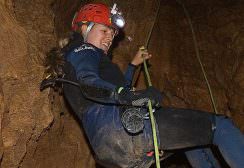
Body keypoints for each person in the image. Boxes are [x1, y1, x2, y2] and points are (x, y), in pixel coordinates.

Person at [45, 3, 244, 168]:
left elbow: (113, 89)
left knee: (191, 141)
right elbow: (89, 83)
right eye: (104, 30)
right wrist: (126, 95)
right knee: (220, 126)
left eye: (113, 35)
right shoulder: (83, 49)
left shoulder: (85, 57)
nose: (109, 38)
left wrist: (132, 66)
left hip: (110, 142)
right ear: (84, 27)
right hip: (124, 128)